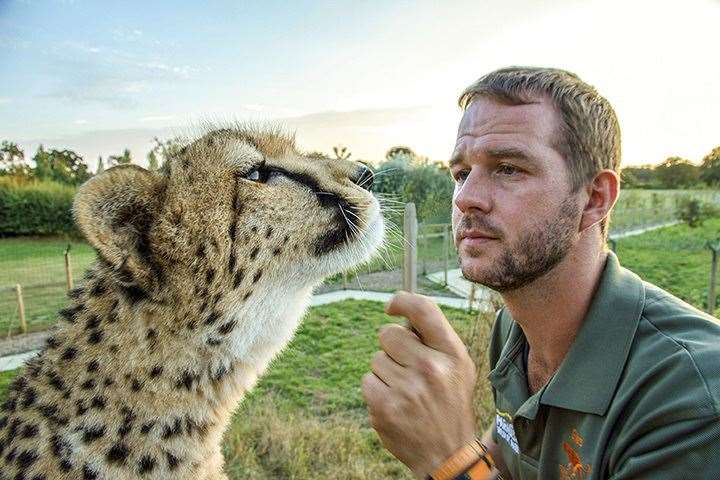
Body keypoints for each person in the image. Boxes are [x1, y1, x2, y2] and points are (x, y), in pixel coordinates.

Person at [362, 66, 720, 479]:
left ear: (594, 199)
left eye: (508, 169)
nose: (466, 199)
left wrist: (453, 462)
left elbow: (471, 467)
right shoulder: (513, 330)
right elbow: (506, 460)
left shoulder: (693, 400)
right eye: (462, 174)